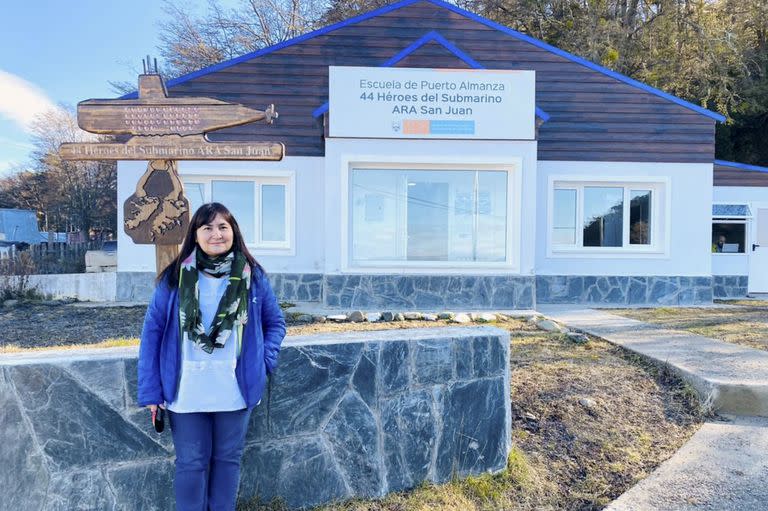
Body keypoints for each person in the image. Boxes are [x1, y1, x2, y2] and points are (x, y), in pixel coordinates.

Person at [137, 202, 286, 510]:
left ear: (234, 232)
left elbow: (276, 324)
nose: (216, 234)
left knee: (228, 461)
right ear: (195, 234)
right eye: (207, 228)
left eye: (223, 227)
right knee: (191, 463)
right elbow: (151, 335)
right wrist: (151, 390)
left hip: (235, 388)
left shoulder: (252, 277)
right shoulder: (174, 278)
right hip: (185, 390)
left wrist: (264, 361)